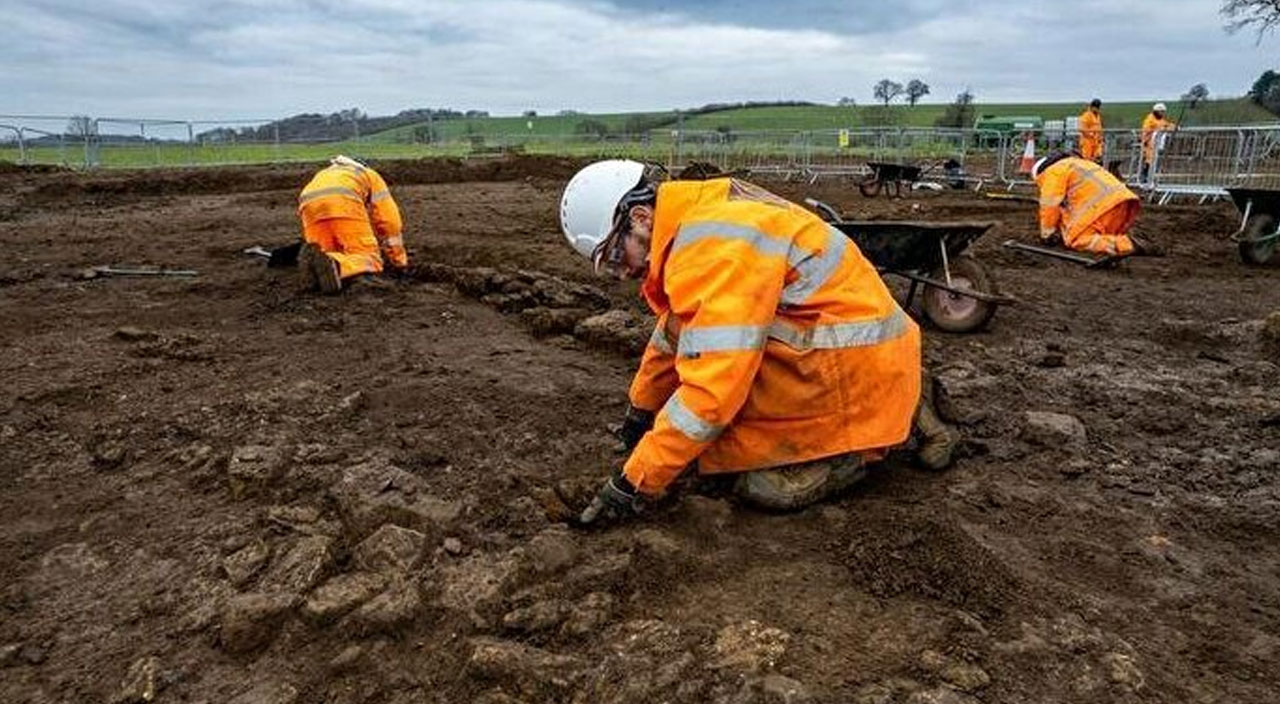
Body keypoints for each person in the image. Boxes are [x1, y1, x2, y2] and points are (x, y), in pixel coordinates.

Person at [558, 160, 957, 525]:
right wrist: (641, 410)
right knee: (724, 417)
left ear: (641, 217)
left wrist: (634, 482)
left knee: (759, 482)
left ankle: (855, 449)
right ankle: (903, 393)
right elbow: (675, 331)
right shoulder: (699, 219)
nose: (621, 273)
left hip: (852, 364)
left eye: (613, 257)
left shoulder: (711, 249)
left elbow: (711, 392)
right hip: (858, 350)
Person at [296, 155, 408, 293]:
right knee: (368, 258)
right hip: (343, 202)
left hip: (308, 207)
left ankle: (316, 273)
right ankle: (338, 265)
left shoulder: (326, 173)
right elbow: (389, 221)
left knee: (325, 253)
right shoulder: (370, 175)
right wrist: (398, 260)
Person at [1033, 152, 1160, 257]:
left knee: (1076, 240)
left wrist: (1047, 234)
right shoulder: (1080, 164)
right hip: (1121, 204)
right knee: (1100, 236)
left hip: (1101, 208)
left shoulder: (1054, 171)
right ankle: (1125, 239)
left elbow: (1050, 205)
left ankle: (1128, 244)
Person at [1140, 103, 1176, 182]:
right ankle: (1145, 176)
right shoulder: (1150, 120)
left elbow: (1167, 125)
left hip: (1156, 143)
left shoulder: (1160, 120)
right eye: (1161, 112)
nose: (1163, 114)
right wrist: (1162, 129)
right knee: (1149, 160)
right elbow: (1147, 130)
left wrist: (1174, 127)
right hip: (1149, 142)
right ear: (1156, 111)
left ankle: (1149, 177)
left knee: (1153, 160)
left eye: (1163, 112)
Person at [1078, 98, 1104, 164]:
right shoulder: (1086, 115)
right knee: (1087, 159)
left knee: (1097, 158)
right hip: (1087, 141)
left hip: (1096, 142)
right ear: (1092, 107)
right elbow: (1081, 128)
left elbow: (1099, 127)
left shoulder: (1097, 116)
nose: (1098, 109)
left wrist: (1100, 137)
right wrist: (1090, 134)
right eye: (1096, 107)